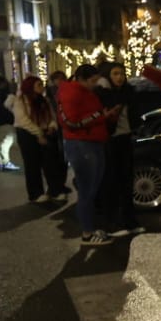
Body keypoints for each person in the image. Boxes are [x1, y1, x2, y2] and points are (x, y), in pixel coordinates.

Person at [56, 64, 120, 247]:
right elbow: (71, 121)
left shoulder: (84, 92)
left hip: (92, 141)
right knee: (87, 190)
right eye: (92, 81)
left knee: (91, 189)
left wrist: (104, 115)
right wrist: (101, 115)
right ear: (81, 79)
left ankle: (90, 229)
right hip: (82, 144)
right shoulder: (71, 93)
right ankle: (87, 232)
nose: (95, 84)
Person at [97, 63, 143, 236]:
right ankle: (112, 223)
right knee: (111, 182)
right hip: (110, 140)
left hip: (125, 138)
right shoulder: (103, 94)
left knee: (127, 181)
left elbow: (135, 115)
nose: (120, 77)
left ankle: (129, 221)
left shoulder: (128, 92)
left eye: (122, 73)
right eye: (115, 74)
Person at [8, 75, 67, 203]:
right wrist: (39, 134)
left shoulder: (44, 100)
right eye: (39, 85)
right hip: (27, 133)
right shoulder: (20, 101)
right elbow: (22, 120)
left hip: (45, 131)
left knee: (51, 162)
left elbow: (52, 116)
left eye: (42, 84)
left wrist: (51, 126)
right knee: (32, 164)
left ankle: (55, 190)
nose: (42, 87)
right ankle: (36, 193)